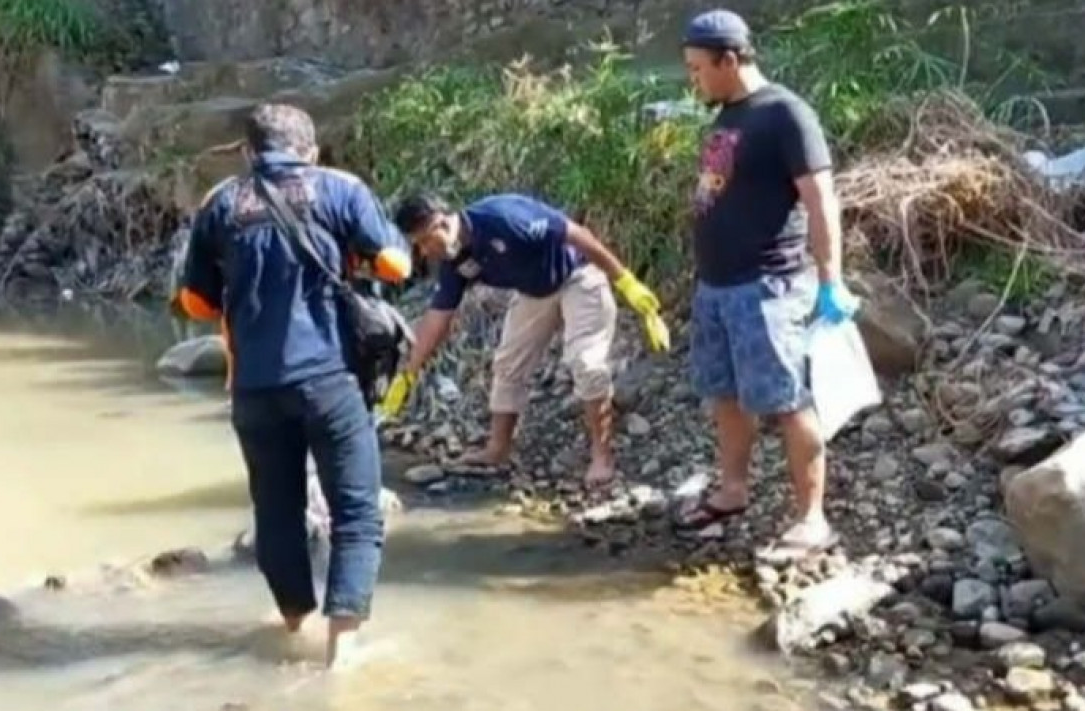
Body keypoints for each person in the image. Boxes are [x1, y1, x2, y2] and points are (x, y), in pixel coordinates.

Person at [170, 103, 412, 668]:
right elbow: (397, 265)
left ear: (250, 153)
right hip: (329, 379)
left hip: (253, 388)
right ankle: (342, 653)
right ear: (311, 150)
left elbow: (195, 303)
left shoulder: (221, 203)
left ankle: (293, 625)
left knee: (276, 513)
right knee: (355, 512)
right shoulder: (339, 188)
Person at [674, 9, 860, 556]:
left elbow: (821, 199)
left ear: (730, 59)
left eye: (697, 68)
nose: (693, 79)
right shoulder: (726, 116)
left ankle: (813, 518)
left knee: (787, 399)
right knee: (724, 395)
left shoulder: (785, 113)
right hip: (715, 287)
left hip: (768, 287)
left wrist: (831, 279)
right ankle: (733, 491)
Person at [380, 192, 669, 488]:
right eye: (418, 246)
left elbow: (577, 234)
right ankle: (497, 450)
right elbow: (439, 317)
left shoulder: (503, 219)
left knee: (587, 363)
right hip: (533, 292)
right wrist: (409, 374)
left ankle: (602, 456)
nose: (424, 252)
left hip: (578, 276)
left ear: (441, 223)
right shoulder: (454, 261)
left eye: (425, 241)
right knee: (507, 364)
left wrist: (627, 283)